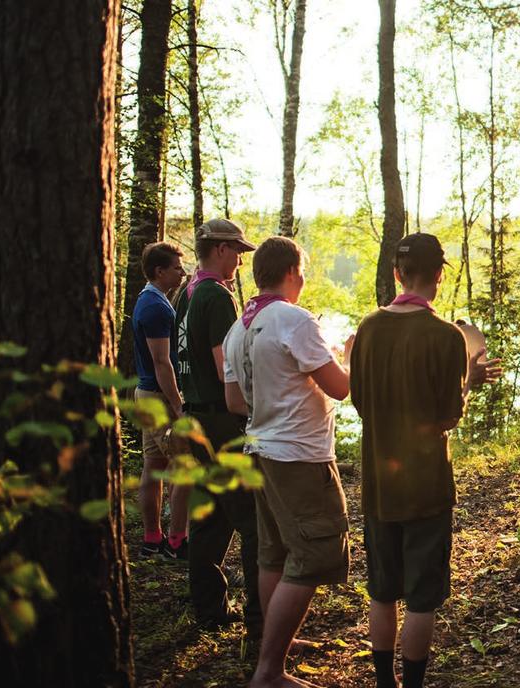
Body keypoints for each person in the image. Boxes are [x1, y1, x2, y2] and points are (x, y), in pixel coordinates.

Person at [350, 233, 501, 688]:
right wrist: (469, 380)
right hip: (427, 488)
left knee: (382, 588)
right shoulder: (445, 336)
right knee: (421, 597)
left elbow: (359, 401)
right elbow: (448, 416)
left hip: (379, 483)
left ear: (398, 274)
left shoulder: (369, 328)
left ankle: (384, 683)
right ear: (439, 275)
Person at [222, 237, 352, 688]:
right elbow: (339, 387)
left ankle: (276, 644)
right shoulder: (294, 321)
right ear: (293, 271)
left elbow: (234, 401)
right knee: (316, 554)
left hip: (259, 448)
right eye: (304, 270)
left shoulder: (240, 326)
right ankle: (270, 671)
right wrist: (349, 355)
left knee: (273, 553)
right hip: (298, 455)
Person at [174, 218, 262, 637]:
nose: (242, 261)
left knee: (210, 518)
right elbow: (223, 363)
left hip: (194, 414)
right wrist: (247, 407)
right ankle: (259, 615)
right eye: (238, 252)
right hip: (221, 419)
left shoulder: (185, 293)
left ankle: (208, 608)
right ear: (221, 249)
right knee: (252, 519)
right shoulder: (215, 296)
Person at [131, 241, 191, 559]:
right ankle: (177, 542)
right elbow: (161, 361)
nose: (182, 273)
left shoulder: (151, 300)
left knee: (153, 466)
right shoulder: (155, 307)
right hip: (157, 395)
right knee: (183, 465)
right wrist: (178, 404)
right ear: (160, 271)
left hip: (147, 393)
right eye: (177, 268)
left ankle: (152, 539)